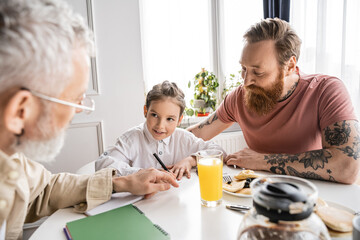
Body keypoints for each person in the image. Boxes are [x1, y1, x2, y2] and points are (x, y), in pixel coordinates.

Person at [0, 0, 178, 239]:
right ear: (21, 110)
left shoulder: (12, 158)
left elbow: (44, 190)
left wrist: (122, 182)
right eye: (74, 100)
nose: (80, 110)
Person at [188, 18, 359, 184]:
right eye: (244, 69)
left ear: (290, 66)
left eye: (258, 72)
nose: (246, 82)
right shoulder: (240, 96)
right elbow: (195, 135)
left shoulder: (326, 91)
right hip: (258, 194)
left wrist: (262, 161)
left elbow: (347, 167)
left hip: (311, 198)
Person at [95, 81, 226, 180]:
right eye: (154, 115)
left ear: (179, 120)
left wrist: (191, 160)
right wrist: (141, 173)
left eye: (169, 119)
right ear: (145, 111)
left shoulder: (183, 138)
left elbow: (219, 152)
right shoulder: (131, 139)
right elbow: (103, 165)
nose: (160, 126)